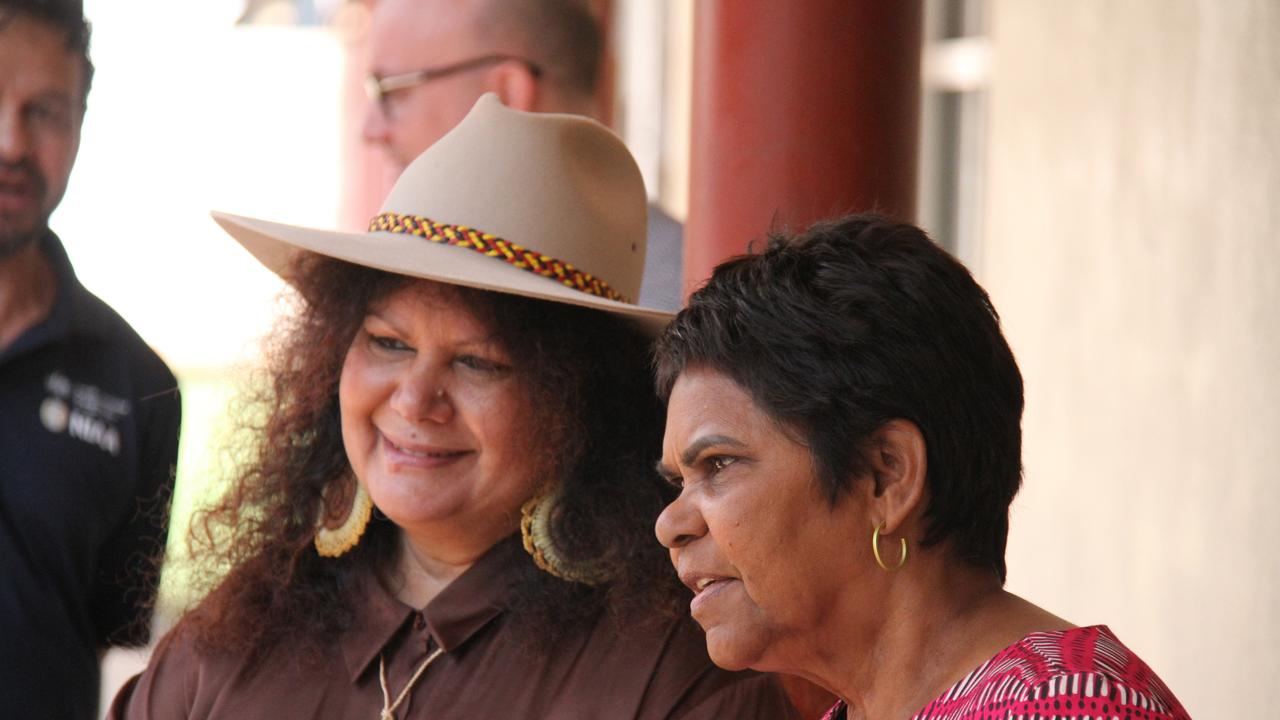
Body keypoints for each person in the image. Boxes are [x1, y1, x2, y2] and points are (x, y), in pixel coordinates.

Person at [109, 95, 794, 718]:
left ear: (581, 405)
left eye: (477, 362)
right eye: (386, 342)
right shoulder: (231, 641)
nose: (414, 400)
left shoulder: (681, 674)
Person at [653, 215, 1191, 720]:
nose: (670, 524)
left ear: (886, 476)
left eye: (718, 464)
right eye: (679, 480)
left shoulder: (1067, 707)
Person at [0, 1, 181, 717]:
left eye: (44, 111)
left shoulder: (139, 388)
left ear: (80, 125)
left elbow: (115, 627)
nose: (10, 141)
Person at [361, 0, 684, 312]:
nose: (370, 130)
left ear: (507, 93)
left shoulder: (677, 312)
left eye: (391, 92)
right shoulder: (676, 279)